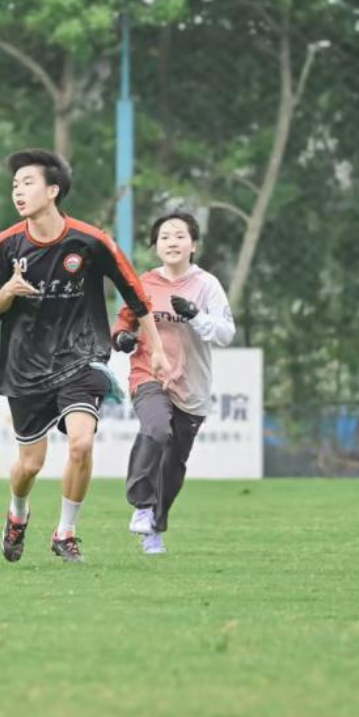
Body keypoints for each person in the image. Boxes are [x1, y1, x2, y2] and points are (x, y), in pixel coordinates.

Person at [0, 148, 168, 564]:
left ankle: (65, 532)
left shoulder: (91, 240)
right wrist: (8, 291)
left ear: (53, 190)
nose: (18, 191)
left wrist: (156, 349)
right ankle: (17, 514)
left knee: (81, 444)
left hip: (81, 358)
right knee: (30, 465)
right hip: (25, 365)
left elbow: (135, 293)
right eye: (15, 185)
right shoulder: (6, 244)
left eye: (27, 183)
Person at [112, 211, 235, 554]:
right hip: (149, 372)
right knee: (156, 428)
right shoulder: (144, 283)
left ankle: (155, 525)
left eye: (180, 236)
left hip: (192, 386)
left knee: (173, 464)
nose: (172, 242)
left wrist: (196, 316)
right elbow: (124, 321)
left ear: (193, 245)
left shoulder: (207, 285)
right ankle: (141, 505)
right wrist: (121, 338)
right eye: (165, 236)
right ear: (156, 246)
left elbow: (226, 334)